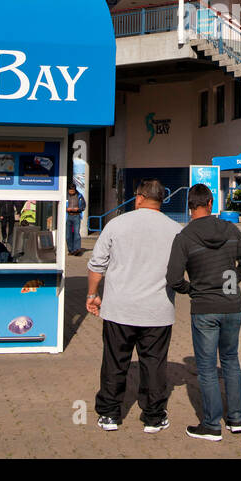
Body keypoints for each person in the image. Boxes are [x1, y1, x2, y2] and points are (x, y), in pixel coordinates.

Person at [86, 179, 182, 433]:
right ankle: (153, 416)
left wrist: (92, 294)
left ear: (139, 197)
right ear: (161, 200)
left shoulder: (116, 224)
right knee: (154, 364)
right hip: (158, 310)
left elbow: (97, 264)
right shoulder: (175, 229)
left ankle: (109, 414)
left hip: (119, 308)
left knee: (115, 361)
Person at [166, 183, 241, 441]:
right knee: (230, 360)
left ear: (189, 207)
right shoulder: (229, 229)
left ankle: (211, 425)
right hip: (232, 306)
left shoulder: (183, 237)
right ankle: (236, 419)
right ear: (210, 204)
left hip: (204, 308)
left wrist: (191, 289)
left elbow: (173, 278)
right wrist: (230, 280)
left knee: (206, 368)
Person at [65, 184, 84, 257]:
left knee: (76, 233)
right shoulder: (66, 196)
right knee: (68, 235)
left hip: (76, 216)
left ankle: (77, 249)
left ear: (75, 190)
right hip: (68, 216)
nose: (71, 192)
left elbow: (83, 206)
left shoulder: (79, 196)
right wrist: (66, 209)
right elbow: (61, 204)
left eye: (73, 190)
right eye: (70, 190)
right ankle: (71, 250)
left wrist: (78, 209)